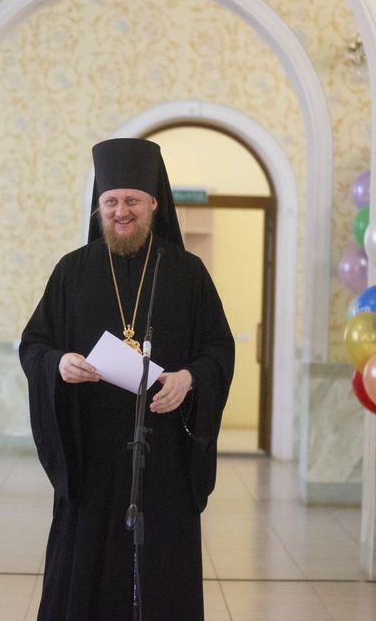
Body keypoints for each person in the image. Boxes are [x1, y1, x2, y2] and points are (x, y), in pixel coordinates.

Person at [19, 137, 235, 620]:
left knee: (162, 570)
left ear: (154, 203)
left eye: (132, 201)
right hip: (91, 455)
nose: (121, 212)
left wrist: (189, 378)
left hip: (164, 458)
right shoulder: (72, 272)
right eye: (111, 201)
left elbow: (219, 349)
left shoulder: (187, 273)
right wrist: (58, 363)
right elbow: (34, 345)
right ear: (98, 207)